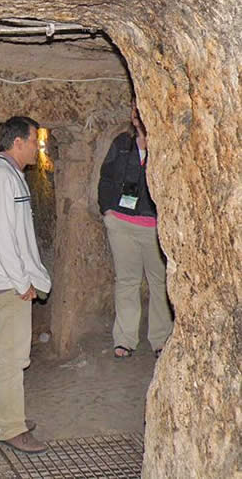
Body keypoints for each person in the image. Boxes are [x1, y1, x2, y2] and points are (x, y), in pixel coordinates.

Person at [0, 116, 51, 454]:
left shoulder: (6, 176)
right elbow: (3, 238)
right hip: (7, 283)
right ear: (18, 142)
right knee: (12, 358)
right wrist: (23, 282)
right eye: (34, 141)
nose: (38, 146)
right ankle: (12, 427)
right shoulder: (1, 179)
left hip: (2, 281)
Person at [98, 100, 173, 358]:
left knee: (160, 282)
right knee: (127, 281)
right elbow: (106, 177)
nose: (138, 115)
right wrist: (107, 210)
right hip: (122, 223)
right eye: (135, 110)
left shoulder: (167, 144)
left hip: (154, 226)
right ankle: (125, 339)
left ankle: (161, 339)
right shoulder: (122, 143)